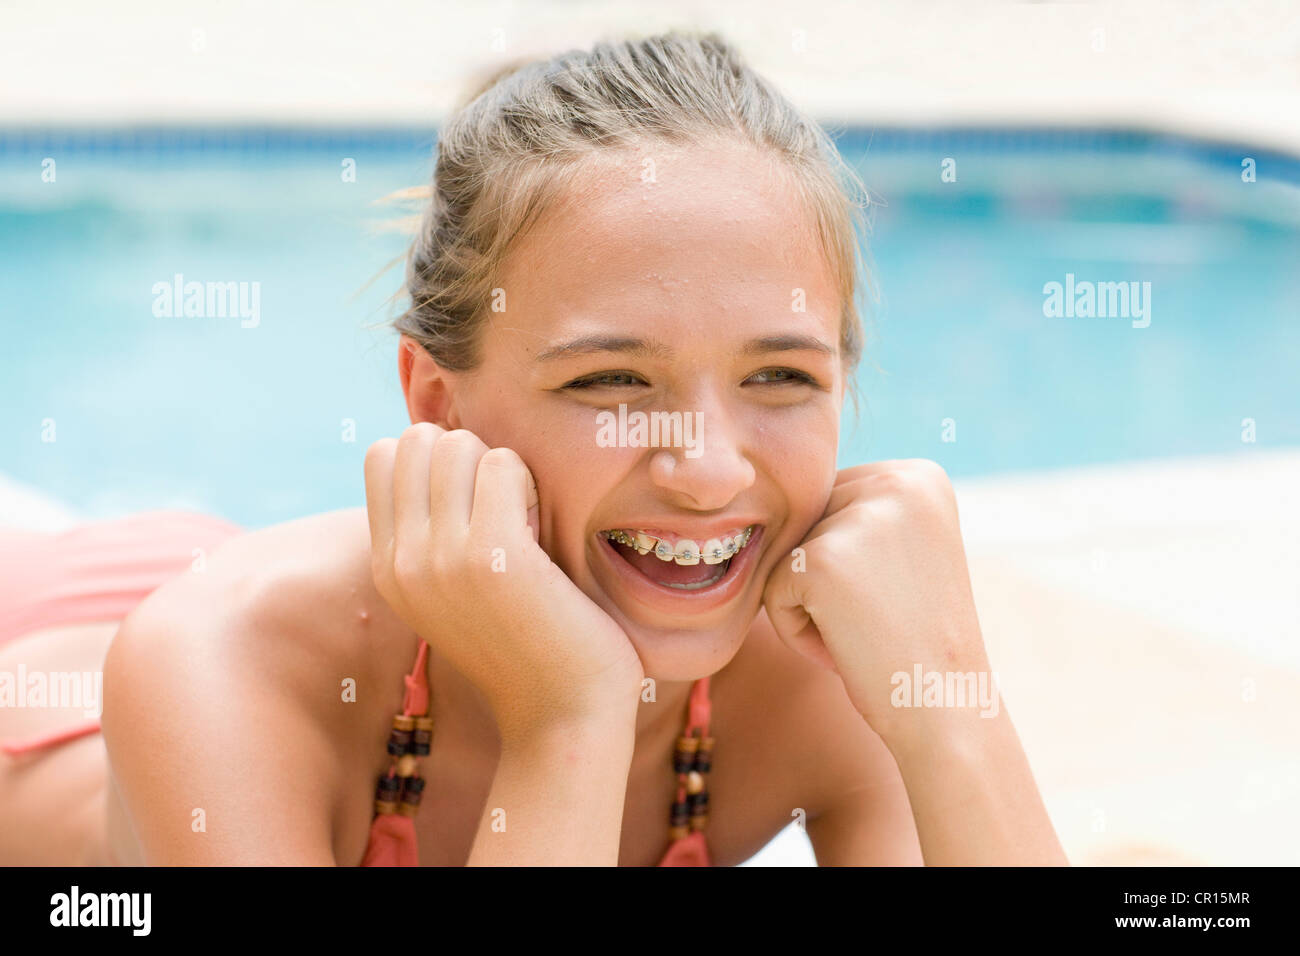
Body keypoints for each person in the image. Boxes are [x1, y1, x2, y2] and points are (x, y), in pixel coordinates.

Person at [0, 30, 1066, 866]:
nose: (707, 469)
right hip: (65, 653)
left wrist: (955, 710)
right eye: (609, 380)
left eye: (779, 376)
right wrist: (568, 713)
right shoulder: (218, 667)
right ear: (436, 399)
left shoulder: (834, 660)